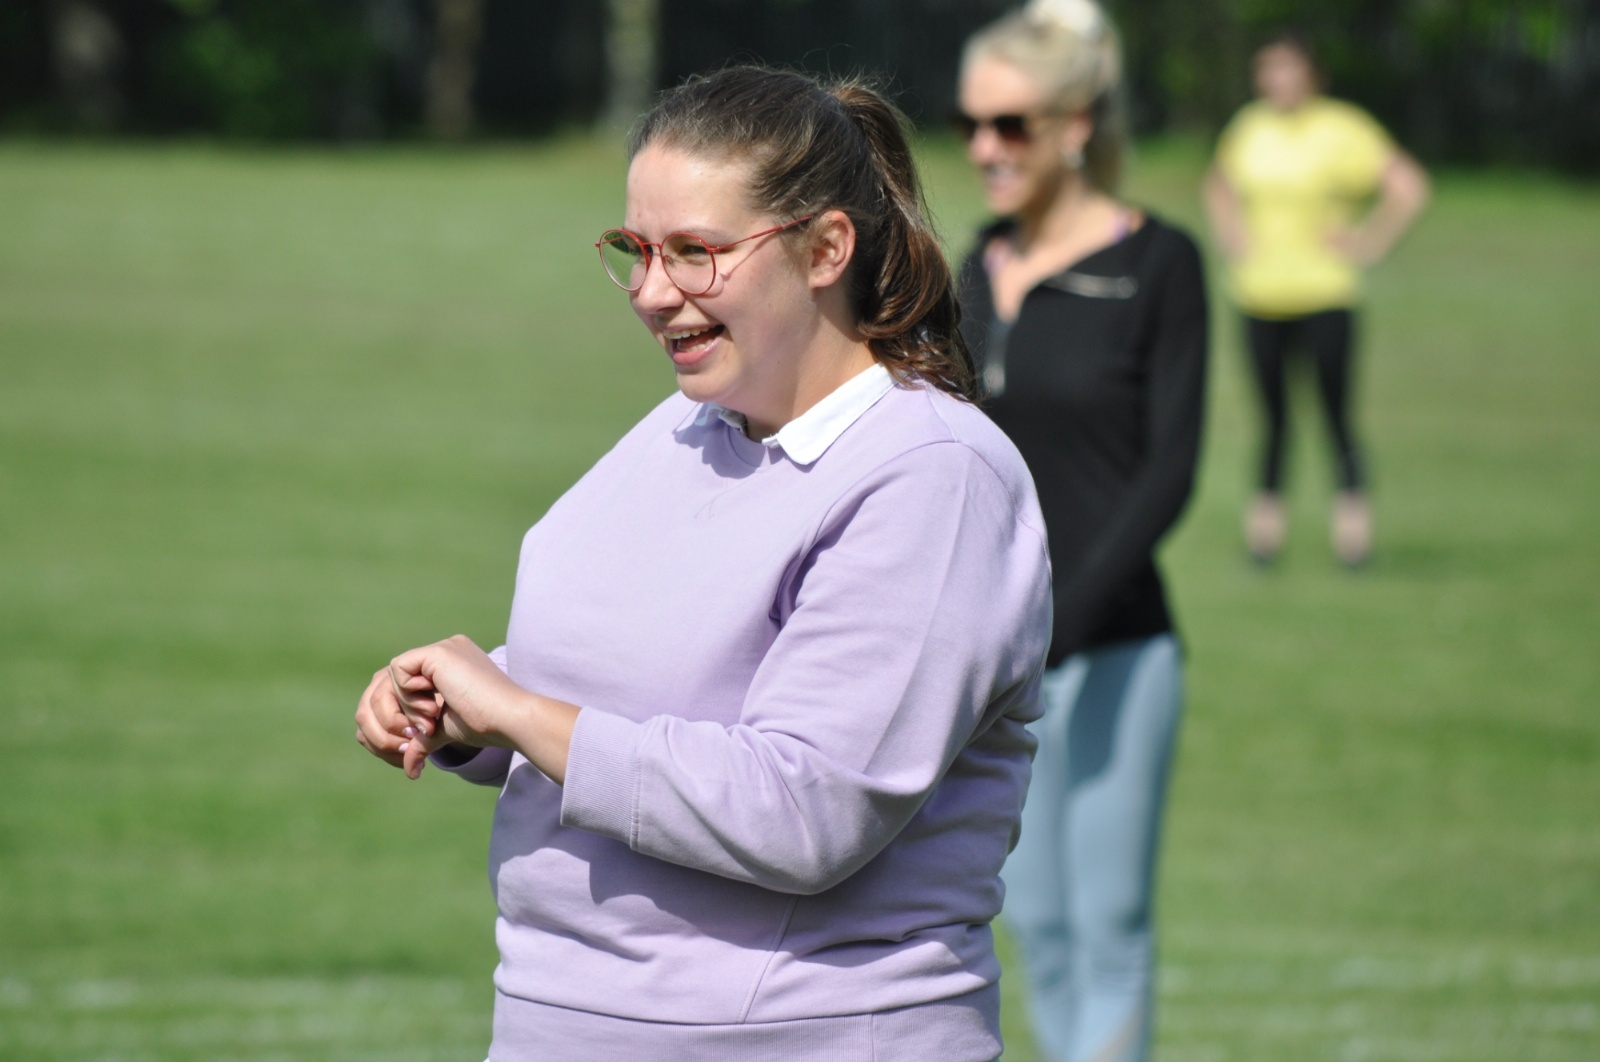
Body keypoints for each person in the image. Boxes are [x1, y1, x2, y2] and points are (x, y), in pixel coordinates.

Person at [352, 65, 1053, 1061]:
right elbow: (636, 676)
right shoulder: (681, 427)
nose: (651, 292)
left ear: (826, 248)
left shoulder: (932, 476)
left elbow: (805, 808)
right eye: (635, 250)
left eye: (695, 252)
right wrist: (464, 706)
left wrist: (519, 714)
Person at [953, 1, 1209, 1060]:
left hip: (1116, 649)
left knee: (1109, 923)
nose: (984, 148)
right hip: (992, 663)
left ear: (1074, 125)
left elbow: (1169, 472)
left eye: (1009, 124)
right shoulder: (974, 267)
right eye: (973, 124)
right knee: (1037, 927)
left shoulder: (1159, 263)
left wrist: (1060, 621)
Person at [1204, 31, 1430, 567]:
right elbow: (1219, 184)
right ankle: (1264, 539)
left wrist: (1369, 241)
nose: (1279, 80)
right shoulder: (1250, 127)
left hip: (1325, 293)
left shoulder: (1343, 129)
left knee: (1335, 417)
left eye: (1289, 69)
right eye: (1270, 69)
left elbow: (1409, 186)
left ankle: (1353, 539)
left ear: (1312, 75)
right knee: (1272, 421)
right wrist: (1231, 234)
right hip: (1259, 294)